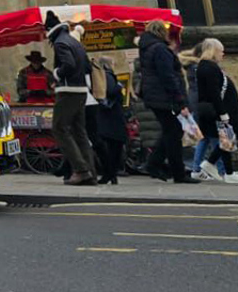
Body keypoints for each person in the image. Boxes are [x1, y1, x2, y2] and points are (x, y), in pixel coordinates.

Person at [138, 19, 195, 183]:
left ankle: (155, 164)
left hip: (156, 97)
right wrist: (180, 100)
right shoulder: (160, 49)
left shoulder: (147, 48)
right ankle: (176, 173)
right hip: (164, 97)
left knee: (171, 131)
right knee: (174, 131)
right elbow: (168, 76)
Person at [44, 11, 96, 185]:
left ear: (50, 30)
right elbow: (88, 67)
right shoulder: (75, 42)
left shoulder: (60, 43)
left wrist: (57, 74)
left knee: (59, 128)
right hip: (82, 91)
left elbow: (68, 64)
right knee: (79, 131)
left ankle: (81, 170)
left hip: (68, 91)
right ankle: (91, 173)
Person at [192, 38, 238, 182]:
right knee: (227, 138)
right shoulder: (209, 68)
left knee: (225, 139)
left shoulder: (208, 66)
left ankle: (212, 165)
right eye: (221, 51)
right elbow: (214, 93)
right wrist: (223, 113)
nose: (223, 54)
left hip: (221, 110)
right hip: (220, 111)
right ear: (213, 51)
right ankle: (226, 172)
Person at [93, 57, 127, 185]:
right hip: (112, 117)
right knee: (114, 147)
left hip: (107, 116)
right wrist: (119, 86)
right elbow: (111, 91)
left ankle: (110, 175)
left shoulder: (102, 76)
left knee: (113, 147)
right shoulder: (108, 76)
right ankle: (110, 174)